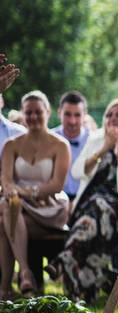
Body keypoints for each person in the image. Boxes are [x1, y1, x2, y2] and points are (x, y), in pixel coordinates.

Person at [46, 98, 118, 301]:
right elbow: (76, 172)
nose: (112, 118)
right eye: (109, 114)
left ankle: (64, 260)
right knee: (91, 217)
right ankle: (87, 290)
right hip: (90, 211)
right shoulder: (95, 140)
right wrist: (103, 149)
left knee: (98, 205)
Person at [0, 92, 71, 299]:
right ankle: (24, 274)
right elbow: (5, 179)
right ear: (22, 114)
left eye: (38, 112)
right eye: (28, 112)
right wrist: (12, 190)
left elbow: (57, 185)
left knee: (4, 215)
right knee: (6, 212)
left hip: (50, 207)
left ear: (47, 113)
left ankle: (6, 287)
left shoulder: (60, 145)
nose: (33, 117)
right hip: (17, 208)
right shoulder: (12, 145)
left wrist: (22, 191)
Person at [51, 91, 89, 200]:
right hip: (54, 200)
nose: (72, 121)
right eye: (67, 114)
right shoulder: (49, 138)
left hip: (84, 200)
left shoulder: (92, 140)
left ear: (85, 115)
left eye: (77, 115)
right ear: (59, 113)